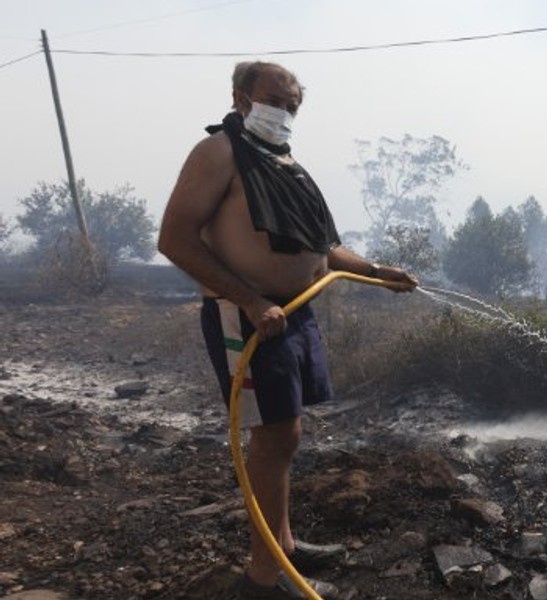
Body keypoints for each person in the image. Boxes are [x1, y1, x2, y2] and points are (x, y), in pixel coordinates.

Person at [159, 61, 418, 599]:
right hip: (249, 317)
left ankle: (285, 544)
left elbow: (325, 249)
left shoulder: (286, 164)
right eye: (274, 99)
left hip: (293, 314)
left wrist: (376, 271)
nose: (283, 112)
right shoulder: (219, 155)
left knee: (286, 432)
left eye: (292, 105)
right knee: (273, 436)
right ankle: (264, 577)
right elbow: (175, 239)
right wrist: (249, 299)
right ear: (241, 98)